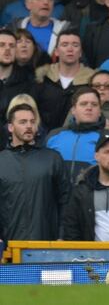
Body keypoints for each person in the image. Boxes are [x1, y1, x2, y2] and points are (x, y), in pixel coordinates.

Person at [0, 103, 71, 241]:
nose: (29, 126)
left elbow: (66, 201)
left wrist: (62, 236)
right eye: (23, 122)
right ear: (10, 127)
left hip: (46, 244)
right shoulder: (1, 161)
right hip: (9, 247)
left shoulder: (52, 159)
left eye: (32, 122)